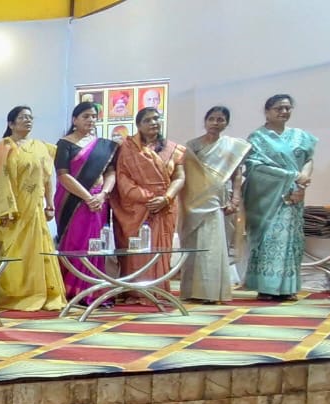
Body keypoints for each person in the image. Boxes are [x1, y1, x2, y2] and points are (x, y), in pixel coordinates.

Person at [0, 106, 65, 312]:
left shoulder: (41, 147)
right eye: (22, 117)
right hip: (9, 214)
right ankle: (16, 295)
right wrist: (4, 209)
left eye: (30, 117)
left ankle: (43, 293)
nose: (28, 120)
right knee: (15, 256)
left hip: (34, 211)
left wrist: (50, 204)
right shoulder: (2, 148)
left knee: (38, 253)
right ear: (11, 124)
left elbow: (47, 178)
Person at [242, 94, 316, 301]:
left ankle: (288, 288)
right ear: (267, 112)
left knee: (291, 240)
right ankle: (266, 287)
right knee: (270, 239)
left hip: (295, 195)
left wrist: (302, 181)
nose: (284, 112)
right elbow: (255, 168)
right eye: (278, 108)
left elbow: (308, 159)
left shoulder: (301, 136)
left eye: (287, 108)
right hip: (268, 198)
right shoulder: (258, 138)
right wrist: (292, 176)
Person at [181, 106, 249, 304]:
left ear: (226, 123)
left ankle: (210, 292)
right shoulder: (192, 146)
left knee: (213, 243)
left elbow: (237, 174)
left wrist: (235, 198)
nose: (215, 123)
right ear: (205, 121)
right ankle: (191, 291)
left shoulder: (232, 146)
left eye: (220, 119)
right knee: (193, 244)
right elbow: (187, 176)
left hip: (217, 200)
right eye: (211, 119)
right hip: (193, 202)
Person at [113, 107, 185, 290]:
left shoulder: (172, 149)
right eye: (147, 120)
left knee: (161, 248)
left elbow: (179, 177)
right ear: (138, 125)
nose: (153, 122)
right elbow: (122, 179)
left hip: (165, 206)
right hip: (136, 208)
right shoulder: (126, 148)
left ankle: (158, 290)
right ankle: (134, 291)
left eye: (156, 118)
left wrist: (166, 198)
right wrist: (148, 198)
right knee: (137, 249)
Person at [54, 102, 118, 302]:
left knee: (96, 244)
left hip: (99, 201)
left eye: (93, 116)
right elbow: (63, 175)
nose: (90, 120)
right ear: (75, 120)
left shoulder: (104, 146)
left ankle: (94, 290)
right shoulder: (64, 144)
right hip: (73, 201)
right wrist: (87, 197)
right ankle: (72, 290)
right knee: (75, 243)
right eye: (85, 116)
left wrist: (103, 194)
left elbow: (111, 173)